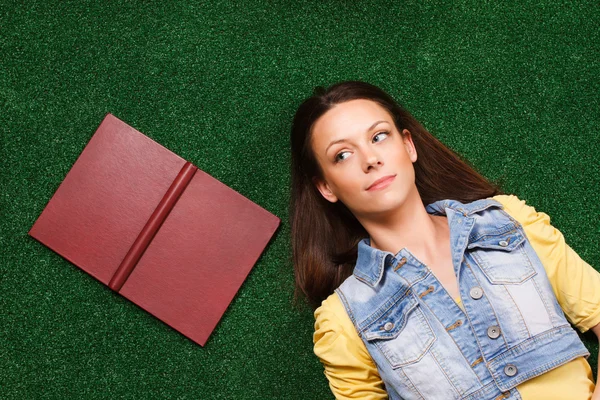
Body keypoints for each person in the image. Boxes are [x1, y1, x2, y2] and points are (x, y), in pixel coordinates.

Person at [289, 81, 600, 400]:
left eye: (379, 136)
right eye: (342, 155)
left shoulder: (508, 220)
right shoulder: (343, 319)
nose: (370, 159)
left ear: (408, 145)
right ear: (326, 187)